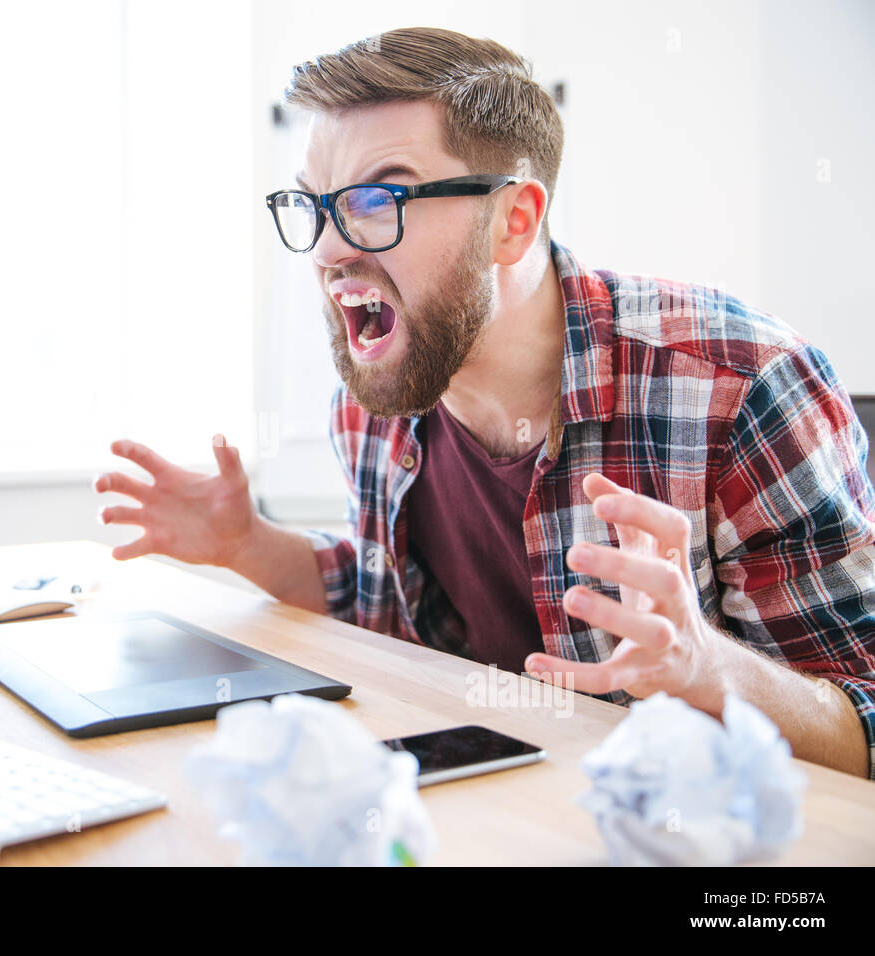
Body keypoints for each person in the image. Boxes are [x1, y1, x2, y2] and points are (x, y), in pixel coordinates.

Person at [92, 27, 875, 779]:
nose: (328, 249)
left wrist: (711, 669)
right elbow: (381, 599)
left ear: (514, 220)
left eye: (376, 197)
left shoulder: (743, 387)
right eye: (313, 204)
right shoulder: (377, 399)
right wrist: (246, 544)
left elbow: (862, 724)